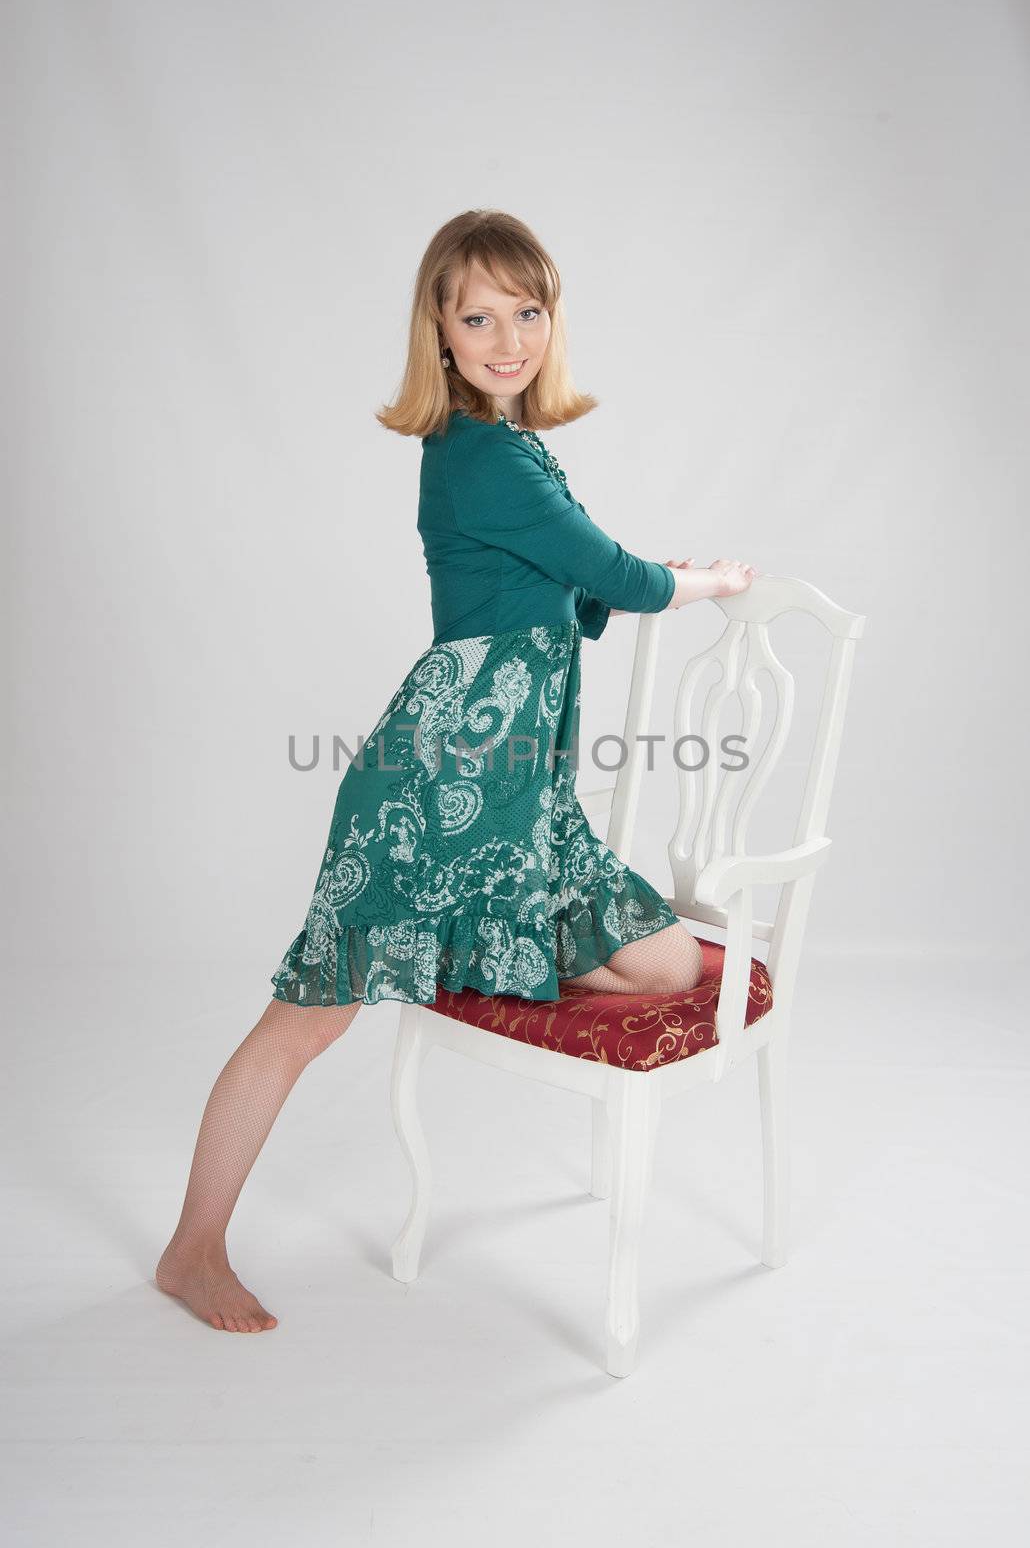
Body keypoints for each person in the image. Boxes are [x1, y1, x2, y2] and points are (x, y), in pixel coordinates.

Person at [155, 209, 759, 1332]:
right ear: (437, 330)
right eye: (477, 315)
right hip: (432, 791)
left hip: (520, 800)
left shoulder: (516, 448)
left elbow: (574, 588)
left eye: (526, 311)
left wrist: (639, 572)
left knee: (671, 968)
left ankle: (465, 945)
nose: (506, 338)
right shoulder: (478, 454)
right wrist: (700, 582)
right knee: (305, 1019)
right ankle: (192, 1250)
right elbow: (611, 578)